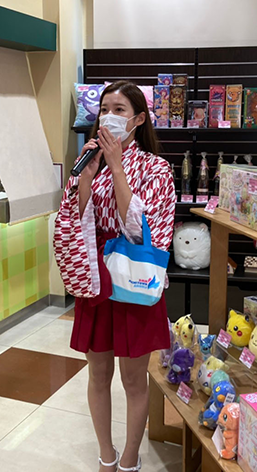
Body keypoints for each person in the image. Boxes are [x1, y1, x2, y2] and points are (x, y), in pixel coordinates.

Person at [54, 80, 176, 471]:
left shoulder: (156, 168)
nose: (109, 116)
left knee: (134, 379)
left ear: (138, 119)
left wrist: (119, 167)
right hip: (96, 280)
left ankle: (129, 457)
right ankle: (106, 455)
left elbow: (143, 232)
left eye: (119, 109)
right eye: (104, 109)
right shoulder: (89, 162)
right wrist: (86, 177)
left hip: (134, 277)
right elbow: (73, 221)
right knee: (98, 373)